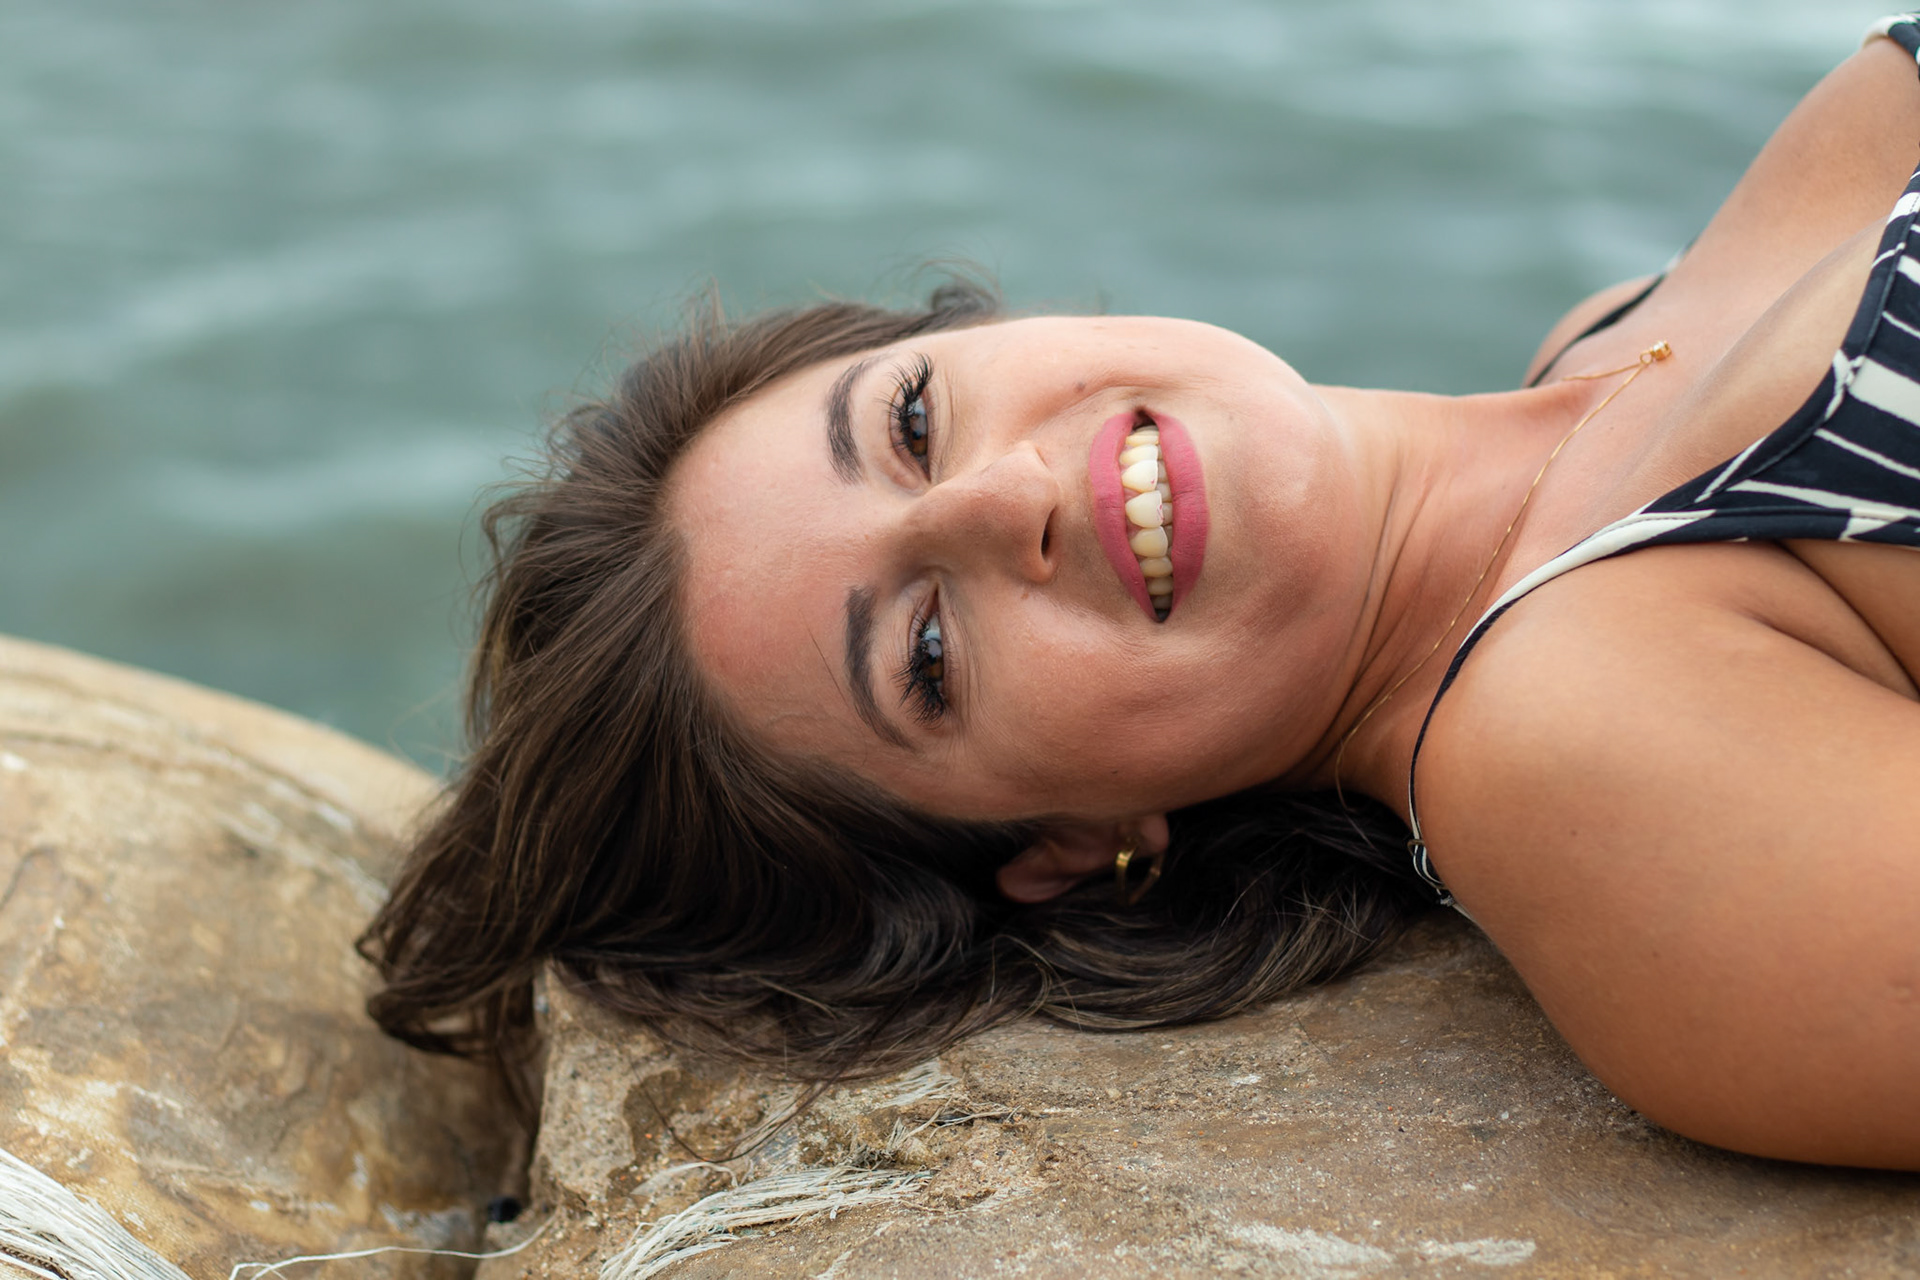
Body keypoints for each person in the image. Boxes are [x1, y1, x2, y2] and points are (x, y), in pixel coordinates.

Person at [361, 19, 1920, 1171]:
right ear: (1068, 848)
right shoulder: (1566, 756)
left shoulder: (1610, 333)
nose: (1003, 499)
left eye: (914, 421)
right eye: (927, 652)